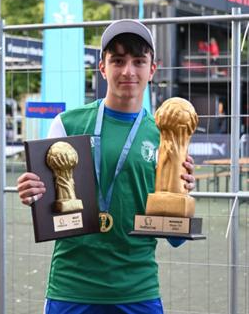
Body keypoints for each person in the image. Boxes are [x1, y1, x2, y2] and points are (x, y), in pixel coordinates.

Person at [17, 19, 196, 314]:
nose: (128, 71)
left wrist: (185, 194)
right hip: (72, 286)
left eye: (138, 61)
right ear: (102, 67)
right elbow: (47, 202)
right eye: (118, 60)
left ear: (153, 69)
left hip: (137, 289)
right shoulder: (68, 124)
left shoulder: (166, 137)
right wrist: (32, 193)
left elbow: (175, 237)